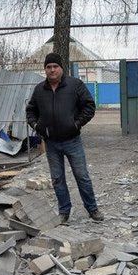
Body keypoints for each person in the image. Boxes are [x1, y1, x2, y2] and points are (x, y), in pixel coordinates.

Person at [26, 53, 104, 223]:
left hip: (72, 141)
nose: (52, 70)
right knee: (57, 178)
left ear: (61, 68)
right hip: (51, 143)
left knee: (82, 175)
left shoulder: (75, 85)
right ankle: (64, 211)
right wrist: (35, 126)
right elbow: (30, 111)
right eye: (48, 67)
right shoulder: (40, 90)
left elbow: (89, 106)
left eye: (55, 66)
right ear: (45, 69)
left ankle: (92, 209)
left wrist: (76, 124)